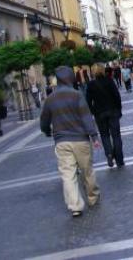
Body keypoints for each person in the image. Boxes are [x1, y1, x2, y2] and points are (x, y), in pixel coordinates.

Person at [40, 66, 101, 218]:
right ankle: (92, 197)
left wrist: (47, 131)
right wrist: (94, 136)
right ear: (70, 78)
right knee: (87, 170)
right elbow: (86, 117)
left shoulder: (50, 98)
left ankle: (75, 206)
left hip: (61, 141)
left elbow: (44, 120)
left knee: (68, 174)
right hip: (80, 140)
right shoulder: (77, 95)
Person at [86, 63, 124, 167]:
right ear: (103, 71)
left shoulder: (90, 84)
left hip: (100, 114)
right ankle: (119, 159)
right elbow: (117, 96)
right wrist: (119, 109)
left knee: (104, 135)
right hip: (113, 111)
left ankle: (109, 154)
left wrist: (93, 111)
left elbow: (88, 102)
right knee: (116, 135)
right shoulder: (109, 81)